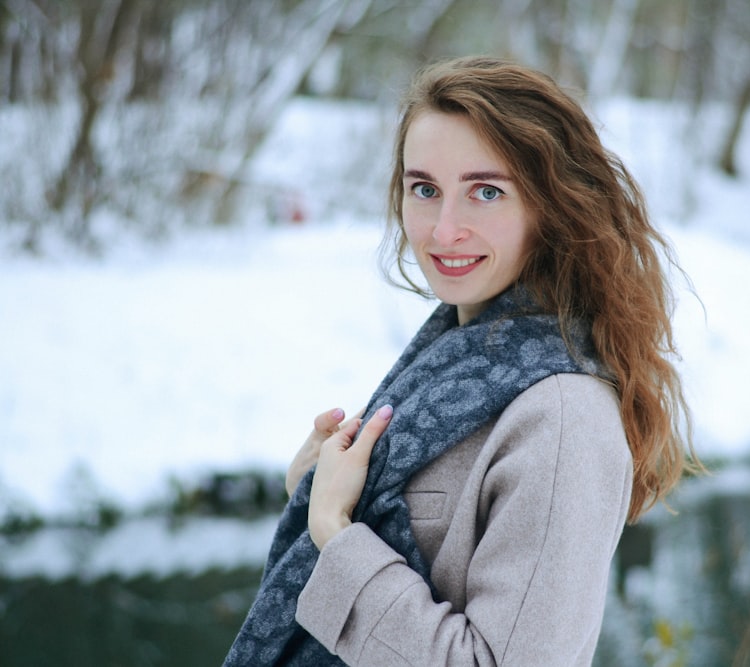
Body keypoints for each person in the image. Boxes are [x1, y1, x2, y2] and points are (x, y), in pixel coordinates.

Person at [224, 55, 700, 666]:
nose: (444, 230)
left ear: (550, 206)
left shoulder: (560, 417)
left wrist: (338, 535)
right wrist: (315, 493)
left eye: (486, 192)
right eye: (425, 189)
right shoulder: (453, 357)